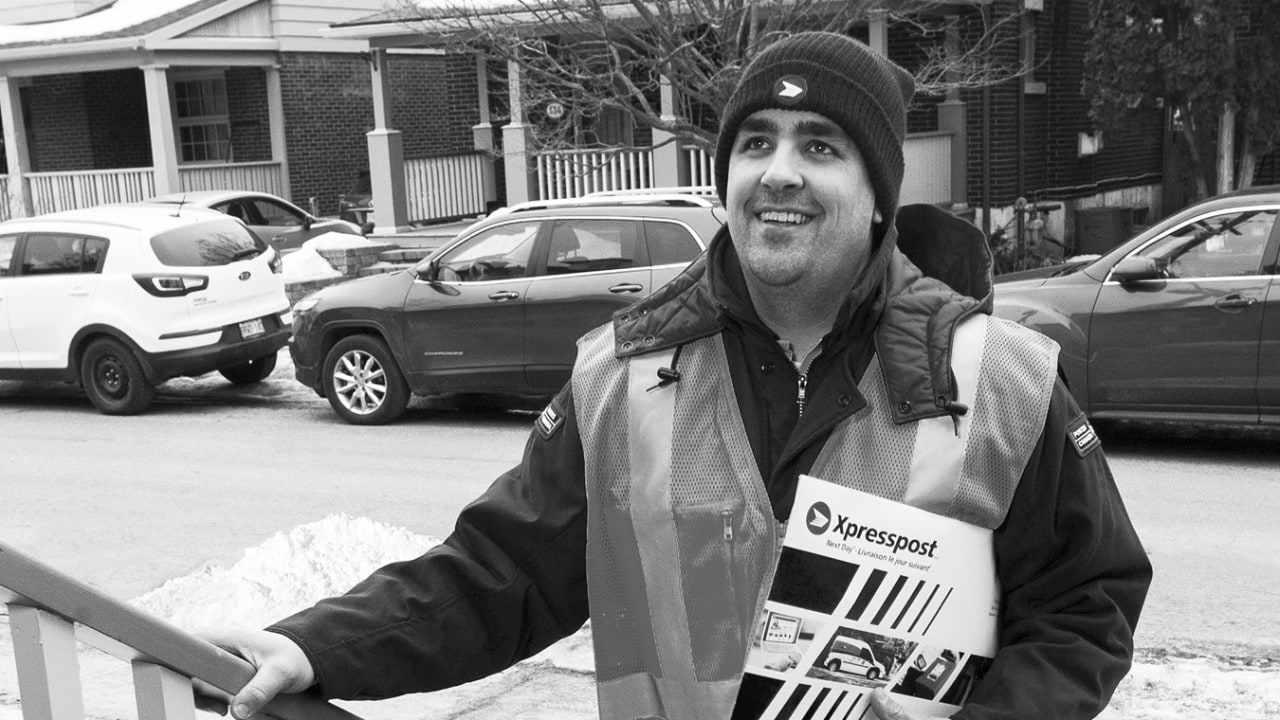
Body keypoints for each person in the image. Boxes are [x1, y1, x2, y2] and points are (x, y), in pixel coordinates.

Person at [203, 31, 1151, 720]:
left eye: (820, 146)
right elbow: (500, 574)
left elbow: (1085, 604)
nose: (779, 172)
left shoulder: (1002, 380)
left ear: (878, 199)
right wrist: (312, 644)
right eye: (755, 143)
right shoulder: (619, 378)